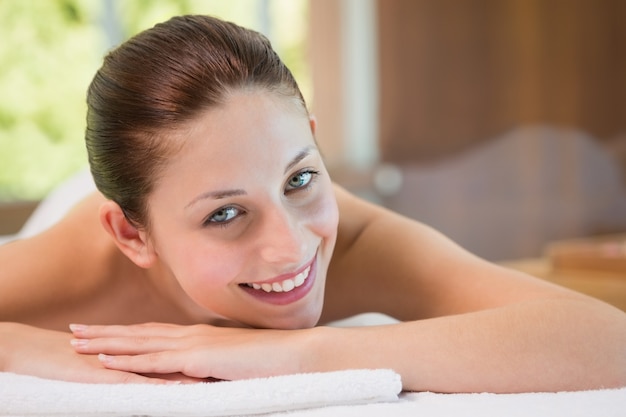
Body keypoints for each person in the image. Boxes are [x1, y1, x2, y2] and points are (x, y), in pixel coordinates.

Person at [1, 14, 625, 393]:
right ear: (132, 235)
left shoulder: (355, 241)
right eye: (225, 214)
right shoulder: (80, 265)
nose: (292, 245)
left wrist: (299, 353)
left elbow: (608, 341)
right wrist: (35, 348)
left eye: (300, 180)